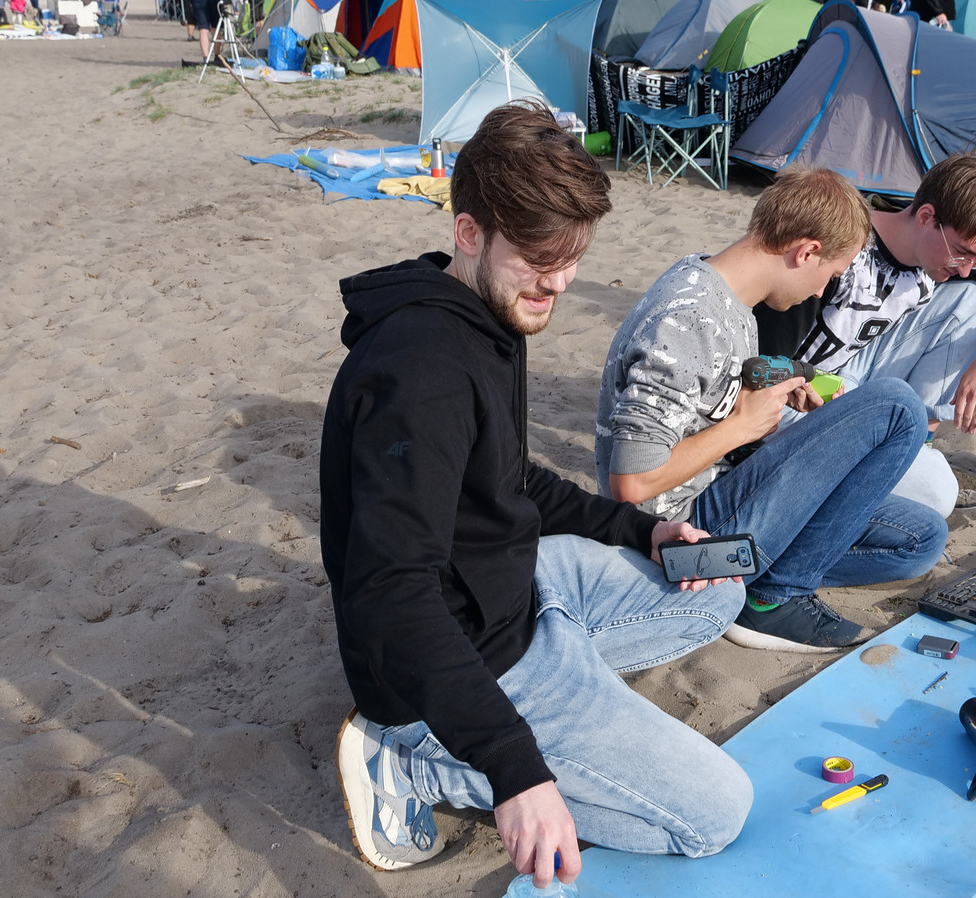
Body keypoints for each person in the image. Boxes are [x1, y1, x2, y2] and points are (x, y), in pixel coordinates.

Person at [322, 101, 752, 892]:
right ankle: (416, 764)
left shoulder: (490, 310)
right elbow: (391, 592)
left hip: (520, 586)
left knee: (716, 587)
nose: (558, 281)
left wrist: (641, 531)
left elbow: (511, 482)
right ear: (469, 231)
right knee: (716, 815)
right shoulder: (420, 376)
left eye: (572, 257)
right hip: (470, 648)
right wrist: (514, 768)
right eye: (538, 259)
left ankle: (568, 689)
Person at [596, 168, 949, 653]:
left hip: (720, 493)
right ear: (805, 252)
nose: (822, 292)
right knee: (899, 408)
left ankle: (761, 575)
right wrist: (742, 427)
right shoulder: (689, 320)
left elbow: (704, 392)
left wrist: (772, 391)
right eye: (830, 275)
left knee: (922, 538)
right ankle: (773, 598)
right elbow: (631, 483)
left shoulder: (721, 289)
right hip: (680, 541)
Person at [754, 153, 976, 519]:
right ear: (925, 217)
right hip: (797, 395)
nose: (965, 269)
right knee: (938, 492)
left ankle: (916, 443)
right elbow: (765, 367)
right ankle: (883, 466)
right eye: (962, 254)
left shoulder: (947, 250)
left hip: (858, 368)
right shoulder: (843, 246)